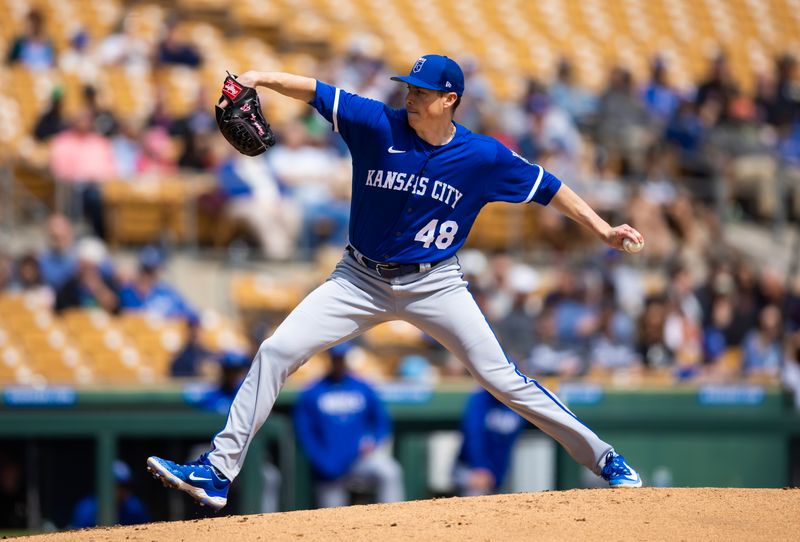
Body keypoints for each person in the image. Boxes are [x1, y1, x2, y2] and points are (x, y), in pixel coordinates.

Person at [147, 54, 644, 510]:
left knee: (501, 380)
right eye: (409, 86)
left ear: (450, 100)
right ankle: (217, 472)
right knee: (276, 351)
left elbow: (549, 188)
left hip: (437, 285)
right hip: (358, 279)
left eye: (422, 91)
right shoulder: (375, 122)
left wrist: (603, 229)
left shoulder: (484, 157)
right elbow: (315, 89)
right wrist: (257, 79)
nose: (410, 95)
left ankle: (605, 459)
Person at [293, 342, 404, 508]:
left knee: (389, 471)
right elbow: (305, 432)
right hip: (328, 464)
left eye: (342, 358)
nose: (339, 362)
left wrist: (373, 441)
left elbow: (381, 422)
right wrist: (321, 461)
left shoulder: (362, 387)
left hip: (358, 460)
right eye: (336, 358)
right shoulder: (313, 391)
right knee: (332, 518)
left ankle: (395, 520)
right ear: (330, 359)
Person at [453, 388, 524, 497]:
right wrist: (480, 467)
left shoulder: (517, 401)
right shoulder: (481, 398)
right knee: (475, 506)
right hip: (471, 469)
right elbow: (474, 435)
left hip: (499, 472)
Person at [118, 246, 196, 321]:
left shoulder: (167, 292)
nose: (147, 276)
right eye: (145, 270)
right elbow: (114, 314)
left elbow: (191, 314)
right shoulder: (127, 292)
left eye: (151, 271)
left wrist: (169, 318)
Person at [70, 460, 149, 528]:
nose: (124, 490)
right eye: (120, 486)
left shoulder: (134, 507)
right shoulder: (87, 509)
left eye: (127, 486)